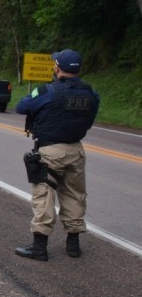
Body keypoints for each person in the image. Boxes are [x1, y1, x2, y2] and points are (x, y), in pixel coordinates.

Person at [14, 49, 100, 261]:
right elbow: (90, 117)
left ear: (57, 67)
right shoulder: (90, 93)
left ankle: (39, 247)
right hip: (76, 150)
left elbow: (21, 106)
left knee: (44, 196)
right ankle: (73, 245)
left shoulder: (48, 91)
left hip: (51, 150)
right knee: (74, 195)